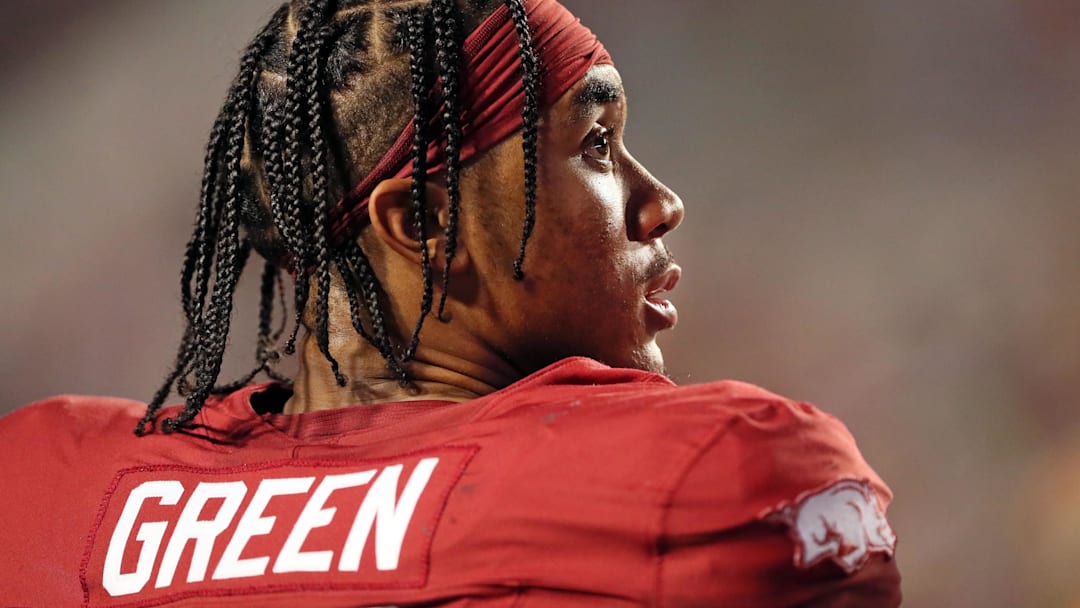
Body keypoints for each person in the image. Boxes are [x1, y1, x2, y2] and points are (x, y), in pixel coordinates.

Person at [0, 0, 901, 605]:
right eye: (597, 144)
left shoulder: (46, 488)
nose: (658, 201)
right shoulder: (720, 477)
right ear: (425, 225)